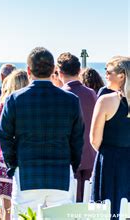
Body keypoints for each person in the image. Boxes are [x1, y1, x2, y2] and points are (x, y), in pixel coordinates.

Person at [0, 47, 84, 219]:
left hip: (27, 174)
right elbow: (77, 139)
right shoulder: (71, 100)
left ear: (29, 71)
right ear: (54, 70)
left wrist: (14, 165)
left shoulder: (14, 100)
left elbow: (5, 137)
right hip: (60, 174)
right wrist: (72, 165)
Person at [0, 70, 29, 220]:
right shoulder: (28, 105)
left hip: (5, 158)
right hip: (25, 158)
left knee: (6, 209)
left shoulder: (2, 106)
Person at [90, 56, 130, 218]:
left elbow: (94, 140)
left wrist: (109, 153)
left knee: (106, 212)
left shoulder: (105, 101)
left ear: (121, 76)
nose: (105, 75)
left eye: (108, 71)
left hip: (109, 162)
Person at [57, 52, 97, 202]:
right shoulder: (92, 93)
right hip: (90, 156)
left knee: (70, 206)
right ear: (79, 71)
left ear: (59, 73)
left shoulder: (61, 95)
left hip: (69, 158)